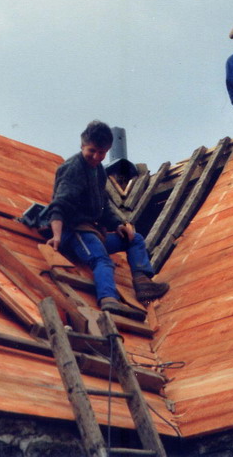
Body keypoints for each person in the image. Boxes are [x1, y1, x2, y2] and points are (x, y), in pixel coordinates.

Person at [45, 120, 169, 319]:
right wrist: (57, 236)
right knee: (102, 260)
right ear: (82, 145)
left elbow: (103, 205)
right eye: (91, 151)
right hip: (75, 231)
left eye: (101, 153)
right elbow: (59, 205)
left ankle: (143, 284)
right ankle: (108, 300)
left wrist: (118, 225)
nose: (96, 157)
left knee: (134, 239)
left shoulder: (98, 171)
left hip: (94, 231)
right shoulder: (73, 169)